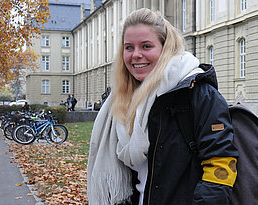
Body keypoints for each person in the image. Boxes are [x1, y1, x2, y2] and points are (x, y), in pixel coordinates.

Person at [87, 8, 238, 205]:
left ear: (165, 48)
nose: (136, 55)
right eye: (129, 47)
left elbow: (221, 163)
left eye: (146, 46)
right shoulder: (122, 101)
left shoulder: (198, 93)